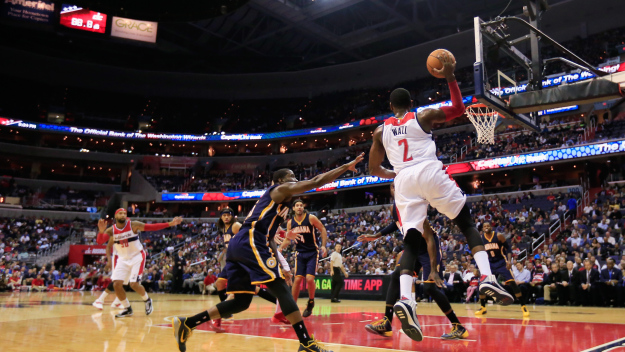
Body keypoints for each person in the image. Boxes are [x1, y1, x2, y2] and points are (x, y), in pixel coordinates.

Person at [368, 50, 512, 342]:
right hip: (428, 171)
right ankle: (487, 278)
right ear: (410, 103)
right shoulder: (422, 115)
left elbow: (373, 168)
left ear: (390, 106)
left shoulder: (380, 131)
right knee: (465, 222)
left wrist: (394, 174)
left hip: (404, 180)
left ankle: (406, 300)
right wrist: (449, 77)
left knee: (411, 238)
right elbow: (459, 109)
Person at [172, 153, 363, 352]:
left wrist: (280, 265)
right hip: (250, 241)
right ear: (280, 181)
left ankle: (188, 323)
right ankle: (306, 342)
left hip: (244, 244)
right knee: (281, 288)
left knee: (241, 301)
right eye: (291, 176)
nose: (295, 180)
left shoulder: (281, 205)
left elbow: (270, 237)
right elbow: (315, 181)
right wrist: (345, 167)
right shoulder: (279, 190)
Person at [359, 183, 468, 340]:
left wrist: (433, 269)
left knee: (429, 288)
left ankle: (458, 326)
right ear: (391, 190)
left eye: (398, 186)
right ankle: (386, 322)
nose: (396, 188)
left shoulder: (412, 206)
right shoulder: (395, 208)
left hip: (428, 246)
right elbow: (395, 224)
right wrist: (377, 235)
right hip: (413, 247)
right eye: (393, 187)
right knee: (396, 275)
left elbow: (429, 237)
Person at [96, 208, 183, 318]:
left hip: (137, 256)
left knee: (134, 284)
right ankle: (127, 308)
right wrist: (101, 231)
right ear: (116, 216)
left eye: (124, 213)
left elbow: (152, 227)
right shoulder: (111, 230)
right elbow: (100, 241)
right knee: (116, 284)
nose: (123, 215)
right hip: (123, 259)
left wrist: (171, 223)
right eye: (120, 213)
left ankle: (147, 300)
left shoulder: (133, 225)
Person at [282, 200, 328, 317]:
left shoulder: (311, 218)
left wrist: (323, 245)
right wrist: (279, 249)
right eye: (297, 206)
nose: (299, 207)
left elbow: (322, 229)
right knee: (297, 280)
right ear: (293, 208)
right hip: (300, 253)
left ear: (303, 207)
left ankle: (311, 302)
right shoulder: (290, 222)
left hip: (312, 252)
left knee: (309, 278)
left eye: (301, 205)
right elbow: (288, 239)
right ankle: (293, 307)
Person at [475, 222, 530, 318]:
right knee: (482, 284)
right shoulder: (481, 239)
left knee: (512, 283)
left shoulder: (498, 236)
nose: (486, 227)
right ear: (482, 228)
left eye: (488, 226)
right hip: (490, 264)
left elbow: (508, 249)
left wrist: (509, 261)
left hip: (501, 262)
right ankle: (483, 308)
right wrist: (479, 266)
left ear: (491, 227)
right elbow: (480, 254)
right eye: (484, 226)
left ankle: (523, 306)